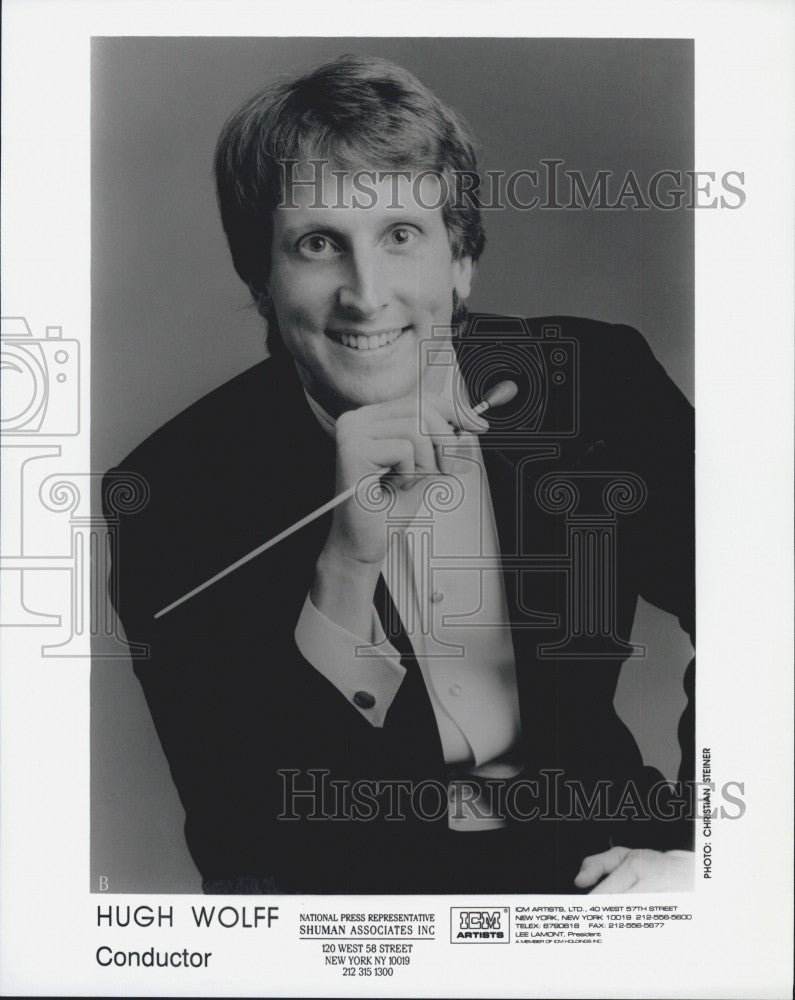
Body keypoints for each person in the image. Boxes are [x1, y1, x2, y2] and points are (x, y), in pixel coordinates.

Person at [106, 55, 695, 894]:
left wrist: (706, 852)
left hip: (606, 872)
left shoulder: (594, 381)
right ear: (260, 278)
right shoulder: (170, 494)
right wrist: (343, 569)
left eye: (401, 235)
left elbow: (760, 612)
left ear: (460, 261)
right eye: (317, 244)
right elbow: (244, 836)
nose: (365, 293)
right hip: (364, 922)